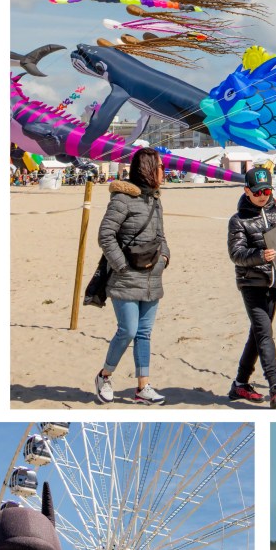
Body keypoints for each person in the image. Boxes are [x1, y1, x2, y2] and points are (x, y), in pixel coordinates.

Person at [225, 164, 276, 409]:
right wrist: (261, 255)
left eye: (267, 191)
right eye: (258, 191)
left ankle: (240, 383)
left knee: (258, 333)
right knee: (264, 333)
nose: (263, 196)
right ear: (247, 191)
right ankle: (274, 386)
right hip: (251, 282)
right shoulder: (238, 221)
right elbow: (237, 253)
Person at [92, 147, 170, 405]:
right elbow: (105, 234)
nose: (164, 170)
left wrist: (165, 258)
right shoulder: (122, 199)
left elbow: (161, 236)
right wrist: (122, 266)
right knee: (128, 330)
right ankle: (104, 375)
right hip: (126, 277)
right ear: (148, 169)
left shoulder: (155, 199)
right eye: (160, 166)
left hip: (152, 277)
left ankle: (142, 387)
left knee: (144, 333)